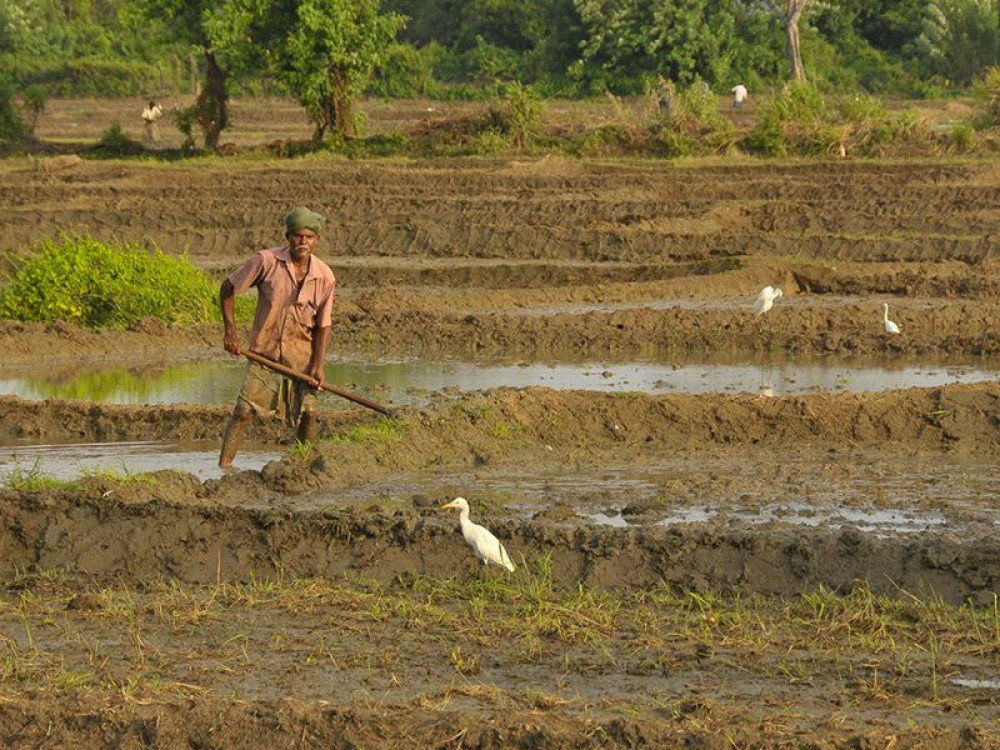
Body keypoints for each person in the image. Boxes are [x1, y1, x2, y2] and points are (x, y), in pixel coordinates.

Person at [218, 206, 337, 470]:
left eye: (308, 237)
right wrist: (230, 332)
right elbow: (227, 288)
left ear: (316, 240)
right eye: (297, 236)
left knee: (308, 416)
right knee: (243, 412)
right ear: (287, 236)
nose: (302, 242)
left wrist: (318, 365)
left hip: (301, 357)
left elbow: (323, 326)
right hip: (265, 353)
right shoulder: (266, 261)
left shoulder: (325, 277)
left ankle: (303, 468)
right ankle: (224, 466)